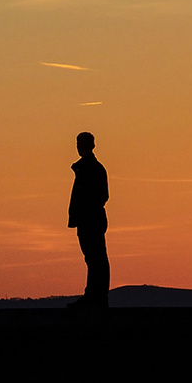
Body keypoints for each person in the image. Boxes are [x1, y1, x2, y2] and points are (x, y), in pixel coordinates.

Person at [68, 131, 110, 309]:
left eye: (81, 143)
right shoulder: (87, 168)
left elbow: (102, 196)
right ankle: (94, 297)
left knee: (96, 259)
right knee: (93, 259)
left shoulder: (92, 168)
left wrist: (86, 211)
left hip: (90, 220)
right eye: (78, 143)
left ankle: (95, 298)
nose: (78, 147)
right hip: (88, 220)